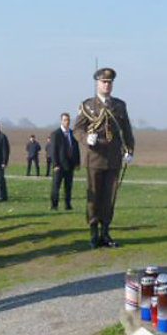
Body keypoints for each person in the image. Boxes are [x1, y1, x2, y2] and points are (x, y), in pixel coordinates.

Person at [73, 67, 135, 249]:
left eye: (109, 82)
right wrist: (86, 138)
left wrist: (129, 150)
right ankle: (94, 233)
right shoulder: (88, 106)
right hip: (95, 156)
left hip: (114, 157)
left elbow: (126, 130)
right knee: (94, 196)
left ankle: (105, 232)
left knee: (109, 197)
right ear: (97, 84)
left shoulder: (119, 105)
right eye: (103, 82)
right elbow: (77, 130)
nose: (107, 85)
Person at [49, 113, 80, 211]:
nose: (67, 122)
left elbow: (76, 148)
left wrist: (77, 163)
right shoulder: (56, 134)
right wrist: (55, 164)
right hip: (59, 165)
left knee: (68, 186)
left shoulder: (72, 133)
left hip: (70, 164)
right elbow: (53, 150)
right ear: (61, 121)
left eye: (68, 120)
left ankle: (68, 205)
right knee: (56, 186)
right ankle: (54, 205)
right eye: (65, 120)